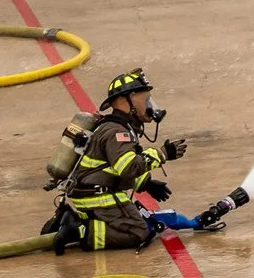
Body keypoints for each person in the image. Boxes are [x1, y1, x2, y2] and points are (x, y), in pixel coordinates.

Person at [51, 69, 190, 252]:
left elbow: (111, 166)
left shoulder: (116, 127)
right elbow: (127, 168)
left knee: (135, 222)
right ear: (127, 99)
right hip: (98, 196)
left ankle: (71, 220)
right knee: (138, 233)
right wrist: (162, 154)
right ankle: (79, 230)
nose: (150, 105)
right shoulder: (118, 133)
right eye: (145, 99)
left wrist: (146, 184)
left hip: (89, 193)